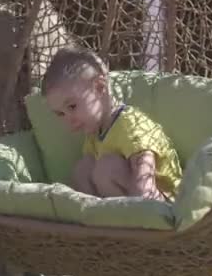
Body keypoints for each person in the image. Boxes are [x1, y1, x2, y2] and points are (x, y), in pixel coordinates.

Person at [41, 47, 183, 201]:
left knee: (106, 168)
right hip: (122, 208)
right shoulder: (94, 134)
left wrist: (143, 213)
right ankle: (93, 219)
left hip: (160, 205)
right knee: (83, 169)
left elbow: (145, 182)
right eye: (61, 114)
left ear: (99, 87)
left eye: (72, 107)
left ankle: (118, 222)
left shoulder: (131, 125)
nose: (69, 119)